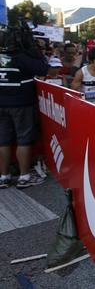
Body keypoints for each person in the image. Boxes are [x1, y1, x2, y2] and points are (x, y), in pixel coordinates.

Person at [0, 25, 50, 189]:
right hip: (21, 103)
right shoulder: (22, 56)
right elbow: (43, 68)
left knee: (3, 141)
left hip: (1, 103)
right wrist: (35, 51)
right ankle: (24, 176)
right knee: (23, 139)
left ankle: (4, 176)